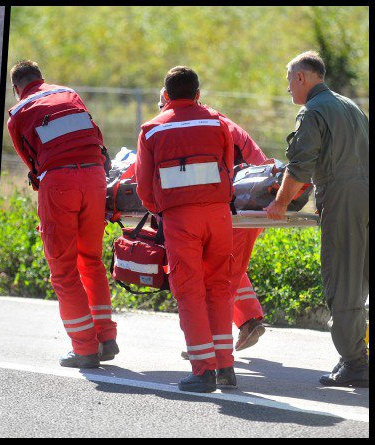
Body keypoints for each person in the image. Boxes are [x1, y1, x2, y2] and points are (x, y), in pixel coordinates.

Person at [264, 51, 369, 387]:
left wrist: (279, 204)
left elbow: (300, 165)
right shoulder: (350, 106)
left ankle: (355, 363)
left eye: (289, 82)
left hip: (344, 197)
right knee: (363, 276)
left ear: (301, 78)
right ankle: (354, 355)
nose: (288, 91)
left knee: (343, 278)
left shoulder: (313, 111)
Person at [6, 60, 118, 368]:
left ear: (17, 89)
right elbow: (94, 134)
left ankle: (84, 348)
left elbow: (33, 166)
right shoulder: (69, 93)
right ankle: (106, 338)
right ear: (41, 78)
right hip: (95, 177)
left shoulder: (17, 114)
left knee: (64, 271)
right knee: (91, 261)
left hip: (60, 183)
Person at [136, 67, 236, 392]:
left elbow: (143, 187)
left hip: (181, 220)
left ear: (165, 95)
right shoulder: (218, 121)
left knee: (190, 291)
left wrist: (161, 209)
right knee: (219, 287)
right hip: (219, 215)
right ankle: (225, 368)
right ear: (197, 93)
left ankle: (203, 370)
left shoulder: (151, 130)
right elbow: (228, 167)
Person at [157, 88, 271, 356]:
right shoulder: (213, 119)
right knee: (223, 269)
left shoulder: (187, 125)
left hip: (235, 208)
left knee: (216, 278)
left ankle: (206, 345)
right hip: (247, 203)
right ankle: (248, 319)